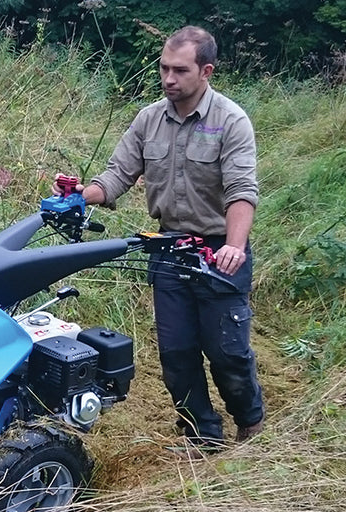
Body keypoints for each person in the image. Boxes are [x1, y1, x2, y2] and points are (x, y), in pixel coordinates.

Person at [54, 25, 265, 448]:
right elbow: (117, 174)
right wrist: (84, 194)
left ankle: (249, 421)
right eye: (164, 69)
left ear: (206, 71)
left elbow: (242, 190)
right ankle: (201, 434)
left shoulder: (230, 121)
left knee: (227, 353)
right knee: (176, 354)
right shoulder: (149, 118)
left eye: (180, 71)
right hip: (168, 250)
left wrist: (235, 248)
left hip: (218, 250)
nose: (169, 79)